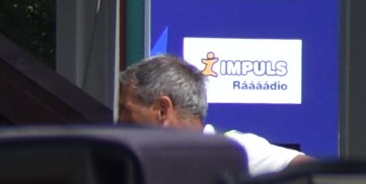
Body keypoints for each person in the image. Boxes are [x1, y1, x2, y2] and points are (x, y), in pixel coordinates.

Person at [116, 51, 306, 174]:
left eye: (126, 110)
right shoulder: (134, 167)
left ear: (162, 110)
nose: (119, 120)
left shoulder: (232, 152)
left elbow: (313, 175)